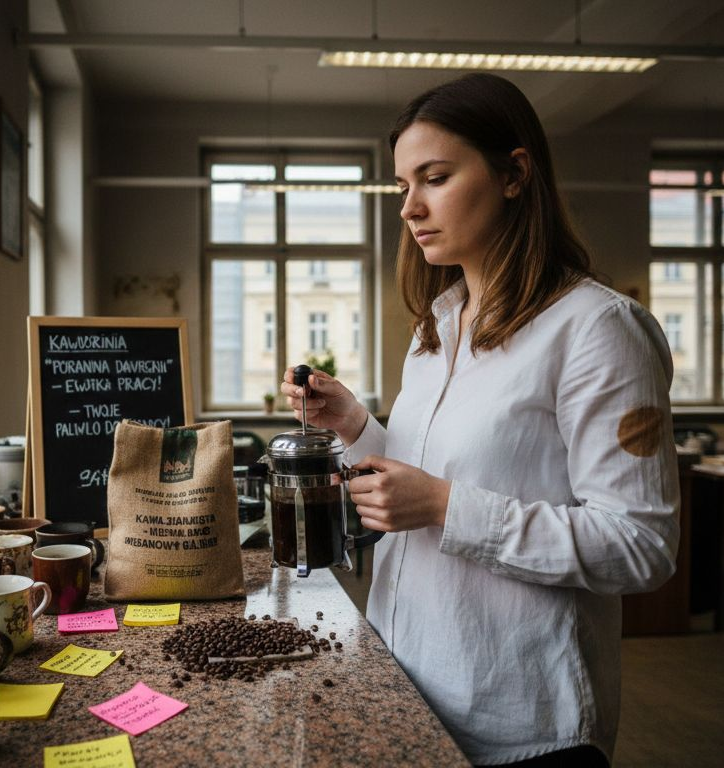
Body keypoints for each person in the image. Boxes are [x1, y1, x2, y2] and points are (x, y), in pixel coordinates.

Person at [282, 73, 679, 767]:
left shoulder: (598, 330)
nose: (410, 208)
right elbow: (427, 481)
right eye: (403, 186)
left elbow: (640, 545)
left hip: (521, 720)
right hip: (408, 682)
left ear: (514, 174)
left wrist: (445, 507)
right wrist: (355, 426)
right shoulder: (438, 324)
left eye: (434, 177)